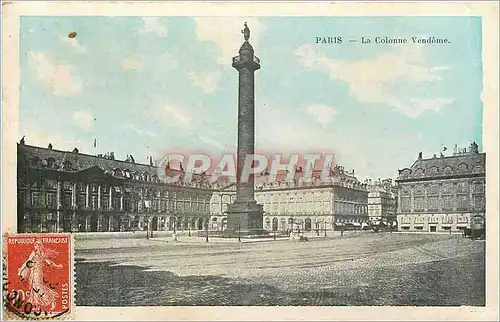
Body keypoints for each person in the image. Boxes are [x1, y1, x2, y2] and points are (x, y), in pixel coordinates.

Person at [17, 240, 63, 311]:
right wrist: (21, 270)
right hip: (33, 271)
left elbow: (49, 262)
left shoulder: (42, 254)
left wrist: (57, 266)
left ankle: (51, 300)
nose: (35, 247)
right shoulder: (33, 253)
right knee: (34, 287)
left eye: (36, 245)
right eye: (35, 245)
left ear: (39, 246)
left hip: (38, 272)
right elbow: (27, 262)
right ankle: (36, 305)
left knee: (38, 287)